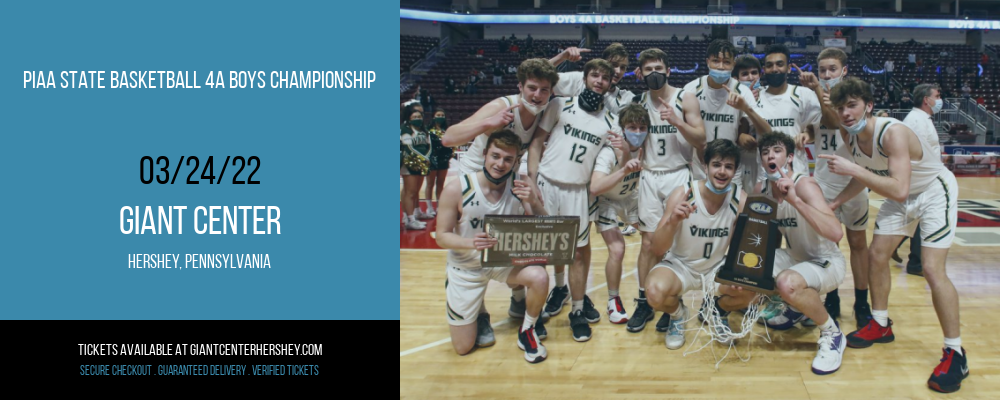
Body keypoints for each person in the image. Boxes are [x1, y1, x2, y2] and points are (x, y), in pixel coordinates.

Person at [825, 77, 967, 393]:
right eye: (840, 107)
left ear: (868, 105)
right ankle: (880, 323)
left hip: (932, 193)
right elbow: (866, 177)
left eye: (852, 105)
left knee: (931, 268)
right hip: (900, 195)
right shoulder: (850, 138)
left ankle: (956, 352)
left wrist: (853, 171)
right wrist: (834, 201)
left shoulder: (892, 133)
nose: (846, 113)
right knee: (877, 255)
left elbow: (898, 188)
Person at [443, 59, 560, 319]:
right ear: (520, 86)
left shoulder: (543, 109)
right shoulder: (502, 105)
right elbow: (448, 137)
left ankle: (518, 299)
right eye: (531, 88)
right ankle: (477, 310)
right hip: (475, 178)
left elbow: (543, 73)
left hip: (505, 176)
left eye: (544, 90)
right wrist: (488, 123)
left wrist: (531, 179)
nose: (537, 95)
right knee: (474, 249)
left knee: (516, 240)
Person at [434, 130, 549, 363]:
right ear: (485, 154)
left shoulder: (520, 186)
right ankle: (480, 313)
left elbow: (544, 228)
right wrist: (470, 242)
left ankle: (527, 329)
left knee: (539, 276)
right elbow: (442, 236)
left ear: (516, 161)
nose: (500, 164)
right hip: (466, 268)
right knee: (463, 347)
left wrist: (534, 202)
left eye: (508, 159)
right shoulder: (458, 188)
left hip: (502, 262)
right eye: (495, 156)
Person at [528, 59, 621, 341]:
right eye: (595, 75)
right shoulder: (559, 105)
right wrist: (532, 181)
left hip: (578, 191)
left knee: (579, 253)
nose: (600, 81)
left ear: (610, 83)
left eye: (605, 78)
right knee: (540, 252)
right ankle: (533, 314)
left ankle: (578, 310)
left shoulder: (611, 122)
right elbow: (536, 142)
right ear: (585, 77)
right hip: (547, 183)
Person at [752, 132, 848, 375]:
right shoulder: (762, 188)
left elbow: (836, 233)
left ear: (790, 157)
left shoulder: (805, 184)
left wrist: (795, 201)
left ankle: (832, 333)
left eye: (777, 150)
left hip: (825, 261)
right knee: (747, 265)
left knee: (787, 282)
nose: (770, 155)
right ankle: (796, 308)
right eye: (765, 152)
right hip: (795, 258)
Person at [795, 47, 874, 328]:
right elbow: (818, 126)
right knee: (826, 245)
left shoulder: (851, 101)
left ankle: (862, 301)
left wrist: (818, 90)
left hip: (854, 182)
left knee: (857, 244)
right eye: (822, 70)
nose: (827, 74)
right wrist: (807, 132)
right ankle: (831, 297)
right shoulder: (812, 99)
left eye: (832, 69)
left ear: (844, 70)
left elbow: (834, 120)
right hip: (825, 182)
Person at [630, 48, 706, 333]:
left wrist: (677, 121)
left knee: (674, 243)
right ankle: (643, 299)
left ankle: (670, 301)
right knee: (648, 244)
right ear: (640, 73)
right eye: (648, 69)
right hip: (649, 176)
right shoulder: (638, 102)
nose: (654, 73)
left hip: (678, 174)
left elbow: (701, 139)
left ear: (669, 70)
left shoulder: (685, 97)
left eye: (658, 67)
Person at [644, 139, 747, 349]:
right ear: (705, 166)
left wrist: (740, 274)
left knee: (752, 291)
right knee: (654, 292)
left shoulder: (740, 200)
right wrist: (673, 221)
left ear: (735, 171)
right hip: (681, 266)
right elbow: (656, 248)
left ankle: (718, 312)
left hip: (715, 267)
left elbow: (741, 246)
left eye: (728, 167)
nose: (722, 172)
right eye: (716, 165)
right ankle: (678, 315)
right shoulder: (683, 194)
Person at [683, 39, 771, 192]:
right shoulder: (691, 89)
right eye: (716, 61)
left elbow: (767, 132)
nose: (721, 67)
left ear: (733, 65)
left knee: (732, 213)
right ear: (707, 62)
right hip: (699, 167)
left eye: (726, 62)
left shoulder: (743, 92)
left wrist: (746, 108)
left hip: (730, 168)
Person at [589, 104, 648, 324]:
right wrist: (623, 167)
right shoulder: (608, 152)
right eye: (632, 127)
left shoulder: (647, 147)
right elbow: (595, 187)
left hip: (632, 198)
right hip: (609, 201)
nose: (638, 132)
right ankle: (613, 299)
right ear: (622, 129)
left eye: (642, 127)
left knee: (655, 239)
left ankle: (647, 294)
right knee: (617, 249)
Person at [751, 44, 822, 180]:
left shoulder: (804, 94)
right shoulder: (755, 97)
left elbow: (817, 128)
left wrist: (807, 134)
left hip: (797, 171)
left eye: (780, 64)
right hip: (764, 174)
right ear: (764, 70)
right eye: (770, 65)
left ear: (789, 68)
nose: (775, 69)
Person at [898, 84, 943, 277]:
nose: (940, 99)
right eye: (937, 96)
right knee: (921, 221)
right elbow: (913, 152)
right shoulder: (916, 120)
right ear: (927, 99)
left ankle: (899, 249)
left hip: (927, 178)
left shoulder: (922, 118)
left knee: (916, 220)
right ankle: (915, 263)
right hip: (922, 180)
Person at [550, 42, 635, 115]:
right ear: (603, 63)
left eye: (623, 67)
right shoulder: (580, 79)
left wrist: (646, 75)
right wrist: (561, 57)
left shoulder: (625, 97)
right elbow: (539, 75)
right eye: (614, 65)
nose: (618, 71)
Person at [733, 55, 764, 190]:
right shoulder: (731, 98)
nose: (751, 77)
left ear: (760, 74)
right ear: (736, 79)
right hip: (742, 158)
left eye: (754, 73)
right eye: (745, 74)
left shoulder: (768, 95)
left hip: (764, 158)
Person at [400, 101, 432, 230]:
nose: (418, 119)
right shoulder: (404, 129)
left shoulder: (424, 130)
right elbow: (408, 147)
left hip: (422, 164)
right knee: (410, 192)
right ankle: (409, 219)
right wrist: (422, 157)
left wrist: (427, 157)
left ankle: (412, 216)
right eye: (415, 117)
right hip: (409, 163)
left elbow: (429, 146)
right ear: (409, 117)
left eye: (420, 117)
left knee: (415, 191)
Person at [424, 109, 453, 219]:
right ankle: (429, 207)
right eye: (438, 115)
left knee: (441, 183)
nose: (440, 117)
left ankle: (439, 206)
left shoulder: (447, 130)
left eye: (442, 115)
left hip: (443, 159)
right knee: (430, 184)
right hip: (431, 159)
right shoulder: (427, 130)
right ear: (433, 116)